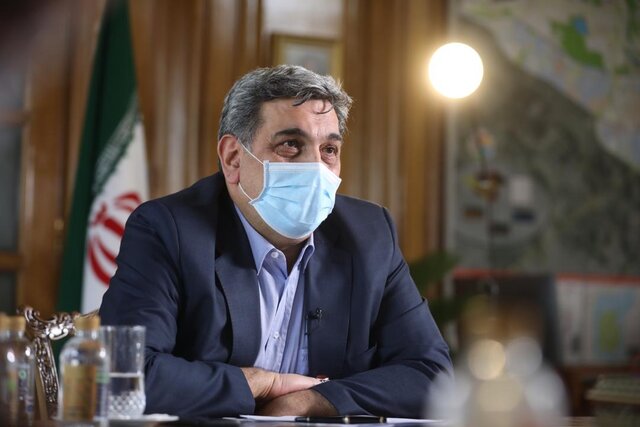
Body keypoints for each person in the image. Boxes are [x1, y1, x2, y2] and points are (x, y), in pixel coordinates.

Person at [99, 65, 452, 418]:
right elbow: (124, 373)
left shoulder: (369, 234)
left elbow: (432, 375)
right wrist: (260, 384)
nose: (315, 166)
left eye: (329, 149)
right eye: (290, 145)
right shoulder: (169, 229)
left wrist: (310, 401)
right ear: (233, 158)